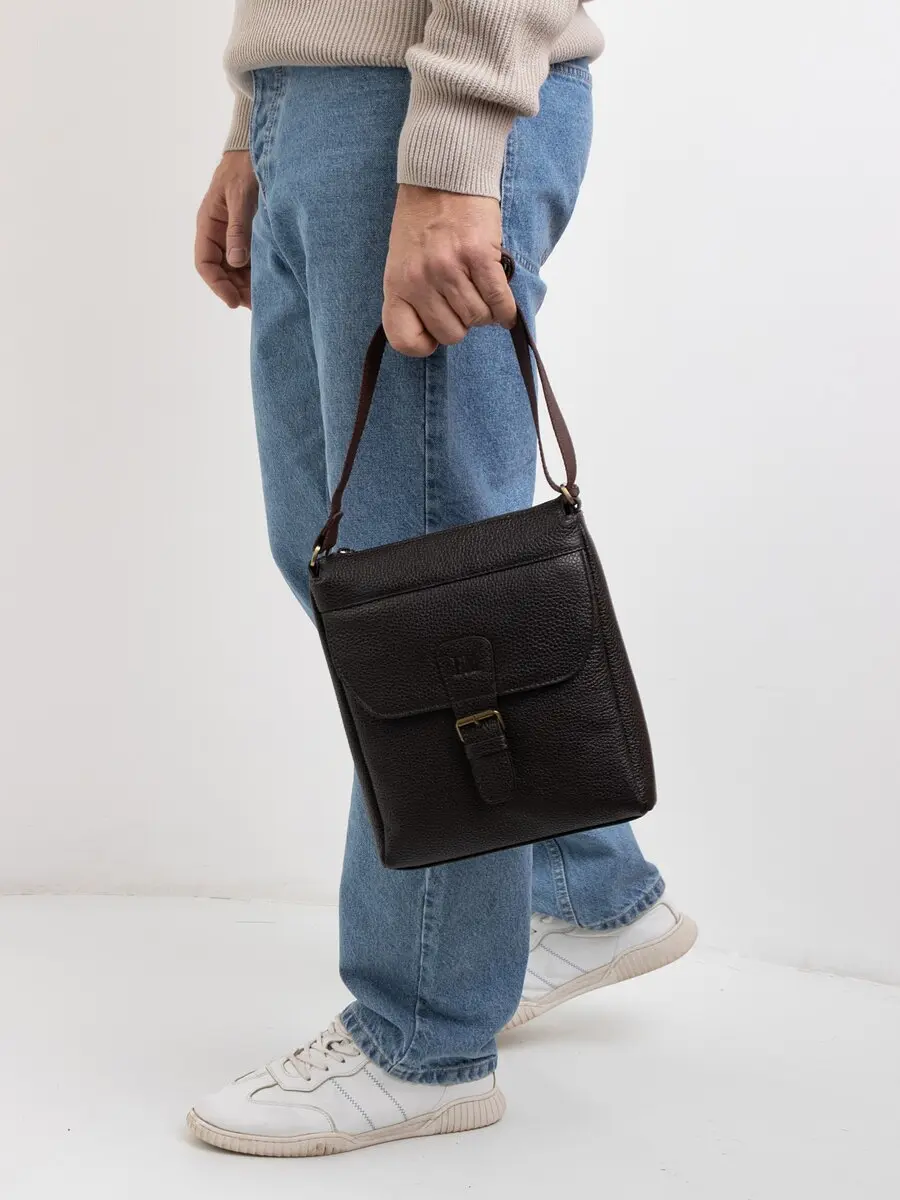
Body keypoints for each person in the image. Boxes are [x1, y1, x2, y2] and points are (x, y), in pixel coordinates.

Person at [188, 0, 696, 1159]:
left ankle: (421, 1033)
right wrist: (254, 116)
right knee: (350, 572)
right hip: (320, 102)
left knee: (430, 595)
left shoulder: (443, 126)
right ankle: (580, 883)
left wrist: (456, 143)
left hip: (421, 109)